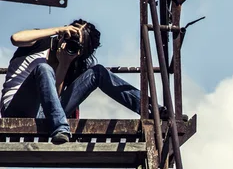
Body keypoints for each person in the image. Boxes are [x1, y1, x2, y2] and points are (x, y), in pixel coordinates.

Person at [1, 19, 166, 144]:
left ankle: (152, 110)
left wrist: (64, 64)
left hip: (49, 115)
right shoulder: (42, 42)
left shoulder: (72, 64)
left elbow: (54, 103)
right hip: (16, 108)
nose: (68, 44)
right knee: (43, 69)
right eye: (70, 36)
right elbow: (16, 38)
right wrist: (58, 30)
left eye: (76, 45)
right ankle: (60, 129)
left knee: (98, 72)